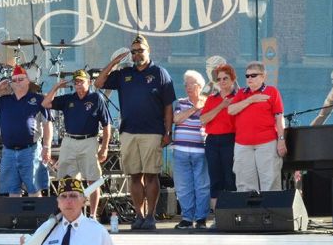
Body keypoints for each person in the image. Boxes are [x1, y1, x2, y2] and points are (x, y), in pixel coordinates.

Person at [95, 34, 176, 230]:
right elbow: (98, 83)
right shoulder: (124, 74)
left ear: (148, 51)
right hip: (129, 132)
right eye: (133, 51)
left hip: (152, 132)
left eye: (140, 50)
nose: (137, 54)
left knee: (151, 175)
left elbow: (168, 106)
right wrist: (114, 62)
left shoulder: (159, 73)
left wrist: (168, 132)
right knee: (134, 175)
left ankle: (150, 216)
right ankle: (138, 215)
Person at [42, 69, 112, 219]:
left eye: (81, 81)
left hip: (89, 140)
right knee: (66, 179)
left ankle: (92, 215)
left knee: (92, 178)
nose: (78, 85)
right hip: (69, 140)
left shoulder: (97, 98)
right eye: (76, 82)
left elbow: (107, 125)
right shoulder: (69, 98)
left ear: (89, 82)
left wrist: (104, 147)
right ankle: (70, 214)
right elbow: (46, 103)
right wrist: (56, 88)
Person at [0, 65, 52, 197]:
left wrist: (47, 146)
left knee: (34, 189)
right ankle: (15, 218)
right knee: (12, 190)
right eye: (14, 80)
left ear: (28, 81)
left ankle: (36, 218)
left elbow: (47, 124)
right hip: (8, 151)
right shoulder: (4, 100)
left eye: (21, 79)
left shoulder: (38, 99)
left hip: (30, 150)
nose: (18, 82)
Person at [227, 61, 286, 192]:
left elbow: (279, 118)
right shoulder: (242, 93)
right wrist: (251, 100)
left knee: (270, 181)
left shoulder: (272, 92)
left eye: (253, 75)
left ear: (263, 76)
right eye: (247, 76)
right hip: (243, 144)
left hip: (267, 142)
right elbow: (231, 110)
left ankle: (271, 211)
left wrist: (281, 140)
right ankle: (248, 212)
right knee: (244, 183)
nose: (249, 79)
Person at [171, 70, 210, 229]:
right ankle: (187, 218)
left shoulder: (209, 103)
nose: (187, 87)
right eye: (186, 84)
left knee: (202, 185)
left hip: (201, 151)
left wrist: (200, 107)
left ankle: (201, 218)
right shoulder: (180, 102)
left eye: (191, 84)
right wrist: (194, 108)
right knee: (183, 186)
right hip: (180, 151)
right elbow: (177, 119)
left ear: (200, 86)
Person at [200, 64, 238, 213]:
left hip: (231, 140)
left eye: (225, 78)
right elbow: (203, 119)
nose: (222, 81)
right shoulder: (212, 99)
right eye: (219, 79)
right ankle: (218, 216)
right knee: (215, 179)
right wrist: (221, 106)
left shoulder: (239, 97)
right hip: (212, 141)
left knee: (230, 178)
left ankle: (232, 214)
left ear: (233, 79)